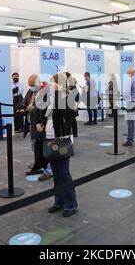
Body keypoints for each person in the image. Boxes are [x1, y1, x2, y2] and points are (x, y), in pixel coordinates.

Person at [36, 73, 78, 217]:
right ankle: (59, 201)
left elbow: (68, 115)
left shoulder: (67, 98)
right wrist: (39, 124)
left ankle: (71, 204)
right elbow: (45, 115)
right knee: (56, 174)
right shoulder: (51, 99)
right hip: (49, 139)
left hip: (62, 140)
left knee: (64, 173)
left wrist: (58, 93)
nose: (50, 84)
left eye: (52, 82)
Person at [21, 74, 52, 181]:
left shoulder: (46, 92)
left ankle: (48, 171)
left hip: (41, 125)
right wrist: (24, 108)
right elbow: (24, 102)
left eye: (32, 85)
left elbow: (46, 109)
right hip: (31, 124)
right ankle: (38, 166)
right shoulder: (30, 92)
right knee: (35, 147)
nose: (31, 87)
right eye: (29, 85)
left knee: (45, 149)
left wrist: (33, 108)